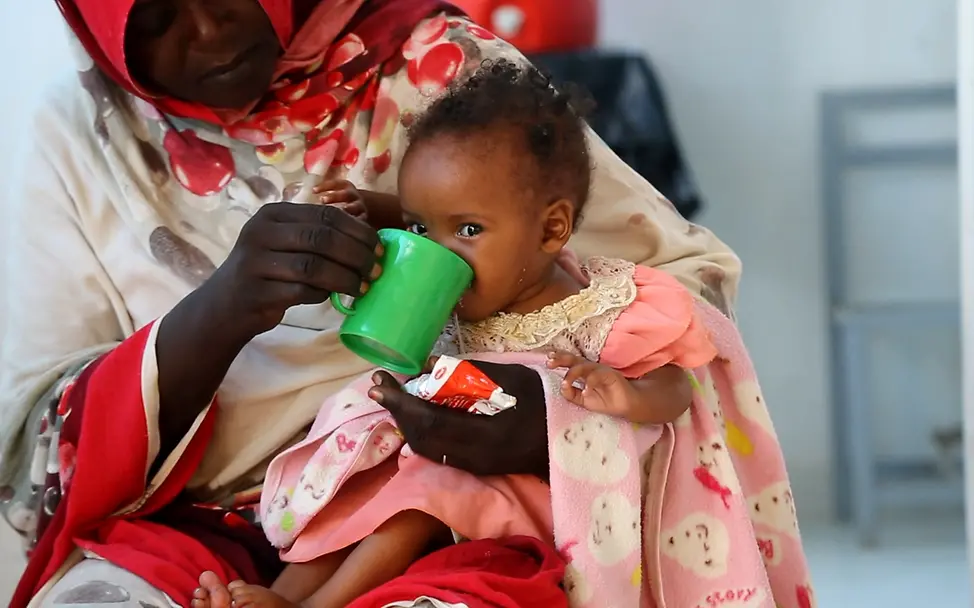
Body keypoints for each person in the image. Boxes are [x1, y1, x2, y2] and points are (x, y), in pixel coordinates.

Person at [0, 0, 766, 606]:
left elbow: (685, 295)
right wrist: (222, 310)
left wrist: (555, 427)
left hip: (468, 518)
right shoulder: (84, 137)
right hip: (197, 534)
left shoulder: (447, 73)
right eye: (157, 16)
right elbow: (31, 462)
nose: (208, 26)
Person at [193, 59, 717, 608]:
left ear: (551, 228)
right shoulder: (474, 277)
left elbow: (677, 387)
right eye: (421, 228)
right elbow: (436, 214)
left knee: (419, 496)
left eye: (467, 230)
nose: (437, 250)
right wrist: (368, 210)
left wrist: (626, 392)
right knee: (370, 488)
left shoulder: (596, 305)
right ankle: (277, 595)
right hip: (446, 469)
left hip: (530, 495)